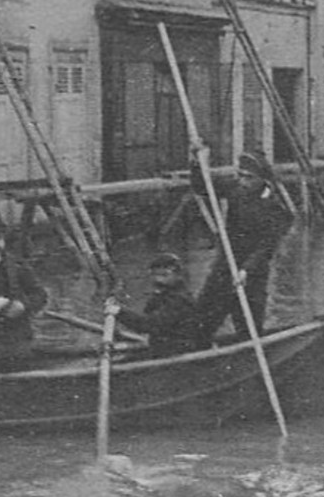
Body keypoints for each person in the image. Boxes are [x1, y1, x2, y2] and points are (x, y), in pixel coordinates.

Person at [192, 151, 294, 343]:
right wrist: (197, 162)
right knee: (200, 322)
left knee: (249, 330)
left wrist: (247, 270)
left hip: (251, 277)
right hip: (225, 268)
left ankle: (247, 353)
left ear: (262, 179)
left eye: (249, 178)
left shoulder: (275, 208)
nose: (243, 181)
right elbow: (201, 186)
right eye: (240, 175)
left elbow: (267, 247)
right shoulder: (235, 188)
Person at [0, 208, 49, 368]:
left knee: (18, 361)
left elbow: (40, 295)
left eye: (0, 239)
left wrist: (23, 305)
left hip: (15, 335)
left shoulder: (18, 266)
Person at [106, 252, 203, 357]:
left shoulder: (179, 300)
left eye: (164, 275)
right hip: (165, 348)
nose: (158, 280)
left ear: (178, 275)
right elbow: (148, 315)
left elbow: (149, 324)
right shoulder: (164, 294)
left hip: (177, 352)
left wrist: (120, 312)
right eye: (155, 275)